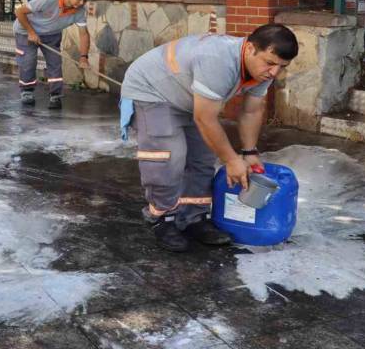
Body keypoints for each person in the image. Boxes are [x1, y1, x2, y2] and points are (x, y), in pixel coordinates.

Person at [120, 24, 298, 252]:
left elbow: (252, 110)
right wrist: (231, 160)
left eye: (282, 67)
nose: (274, 73)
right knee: (168, 158)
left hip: (186, 95)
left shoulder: (262, 69)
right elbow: (205, 119)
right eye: (270, 63)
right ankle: (162, 218)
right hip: (152, 91)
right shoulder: (218, 60)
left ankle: (194, 218)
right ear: (250, 48)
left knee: (202, 158)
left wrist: (249, 152)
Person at [13, 0, 91, 109]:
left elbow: (84, 34)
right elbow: (19, 12)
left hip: (51, 34)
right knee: (28, 61)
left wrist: (84, 57)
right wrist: (31, 32)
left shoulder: (80, 11)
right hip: (25, 31)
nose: (82, 3)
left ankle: (55, 95)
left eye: (85, 0)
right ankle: (27, 91)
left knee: (55, 63)